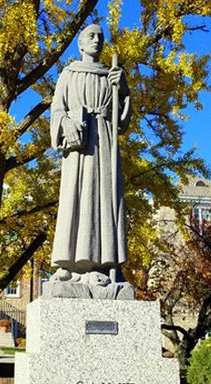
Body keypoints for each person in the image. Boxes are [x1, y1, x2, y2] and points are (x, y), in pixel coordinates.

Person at [50, 23, 131, 282]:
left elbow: (122, 120)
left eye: (100, 37)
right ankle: (70, 263)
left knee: (104, 200)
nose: (96, 40)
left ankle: (103, 264)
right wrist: (66, 124)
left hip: (105, 144)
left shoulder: (112, 75)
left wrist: (125, 91)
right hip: (80, 146)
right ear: (81, 43)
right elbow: (57, 110)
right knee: (75, 197)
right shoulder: (69, 73)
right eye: (91, 36)